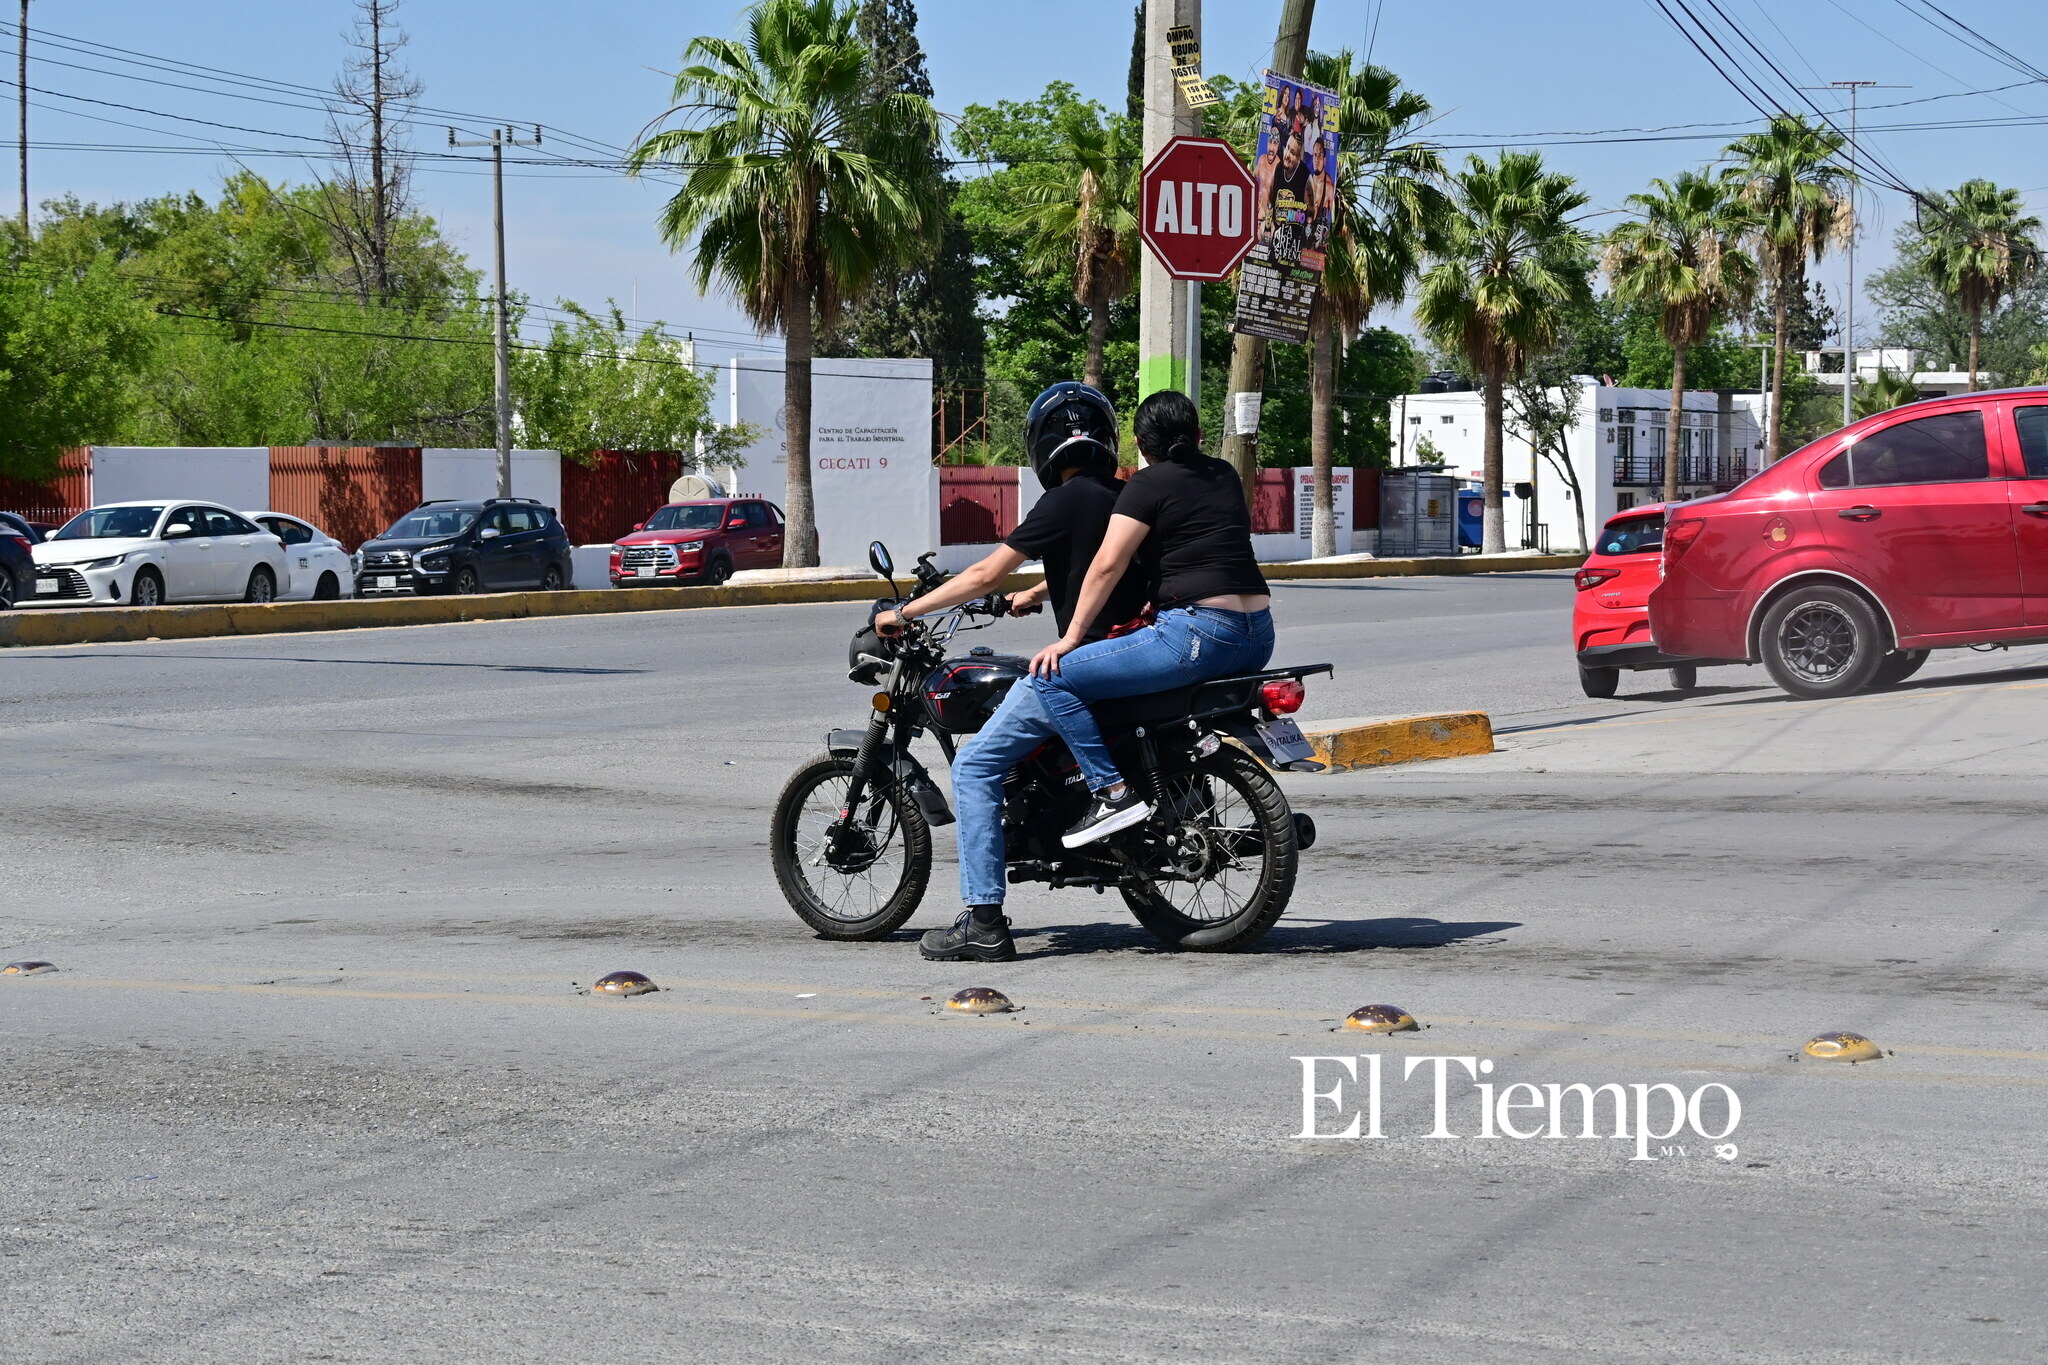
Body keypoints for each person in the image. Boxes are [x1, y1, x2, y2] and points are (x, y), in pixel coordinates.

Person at [873, 382, 1149, 963]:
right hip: (1132, 656)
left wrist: (905, 612)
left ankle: (982, 919)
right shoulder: (1122, 498)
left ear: (1042, 444)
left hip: (1085, 661)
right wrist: (1042, 591)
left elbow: (982, 575)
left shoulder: (1060, 502)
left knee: (974, 766)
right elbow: (1105, 568)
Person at [1025, 390, 1274, 849]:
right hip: (1258, 635)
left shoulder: (1145, 484)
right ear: (1198, 436)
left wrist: (1071, 637)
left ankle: (1112, 793)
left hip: (1197, 633)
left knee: (1052, 678)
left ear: (1140, 444)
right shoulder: (1224, 474)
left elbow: (1107, 565)